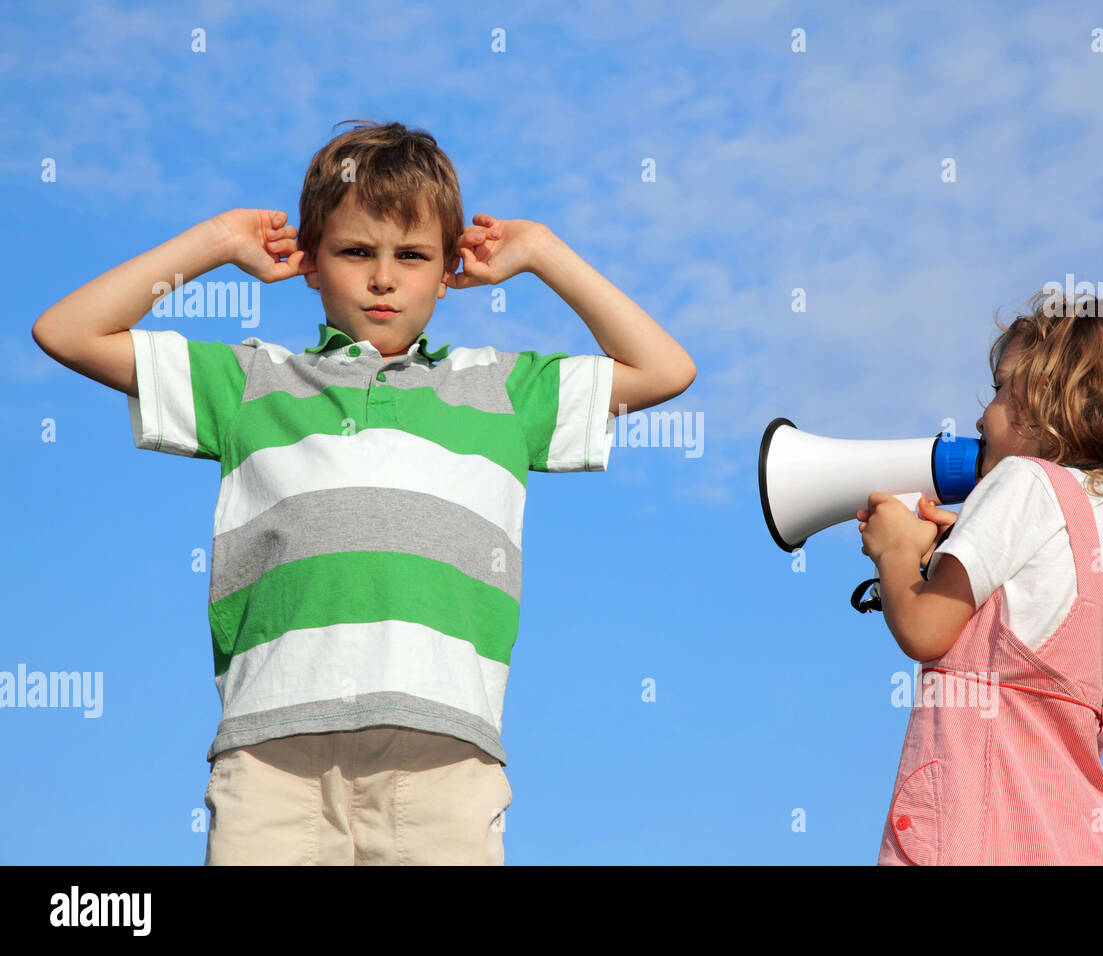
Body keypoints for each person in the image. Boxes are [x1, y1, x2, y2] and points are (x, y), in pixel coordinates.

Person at [30, 120, 696, 865]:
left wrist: (541, 254)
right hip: (270, 758)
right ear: (309, 261)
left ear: (450, 270)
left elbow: (664, 370)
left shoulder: (504, 389)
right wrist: (217, 239)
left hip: (443, 755)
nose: (384, 278)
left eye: (413, 256)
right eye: (355, 252)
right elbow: (67, 331)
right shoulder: (250, 381)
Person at [858, 290, 1103, 865]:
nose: (983, 413)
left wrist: (896, 555)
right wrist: (970, 545)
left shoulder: (1024, 481)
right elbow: (1036, 619)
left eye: (1003, 387)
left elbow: (927, 629)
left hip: (971, 837)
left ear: (1064, 405)